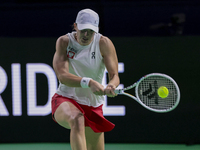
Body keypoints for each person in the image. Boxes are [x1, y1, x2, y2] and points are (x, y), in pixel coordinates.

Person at [51, 8, 120, 150]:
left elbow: (114, 76)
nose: (86, 35)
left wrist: (111, 86)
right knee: (77, 119)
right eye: (83, 30)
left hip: (93, 106)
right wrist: (89, 82)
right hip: (66, 99)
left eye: (91, 31)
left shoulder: (104, 43)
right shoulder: (64, 42)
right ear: (75, 26)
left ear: (97, 29)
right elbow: (62, 76)